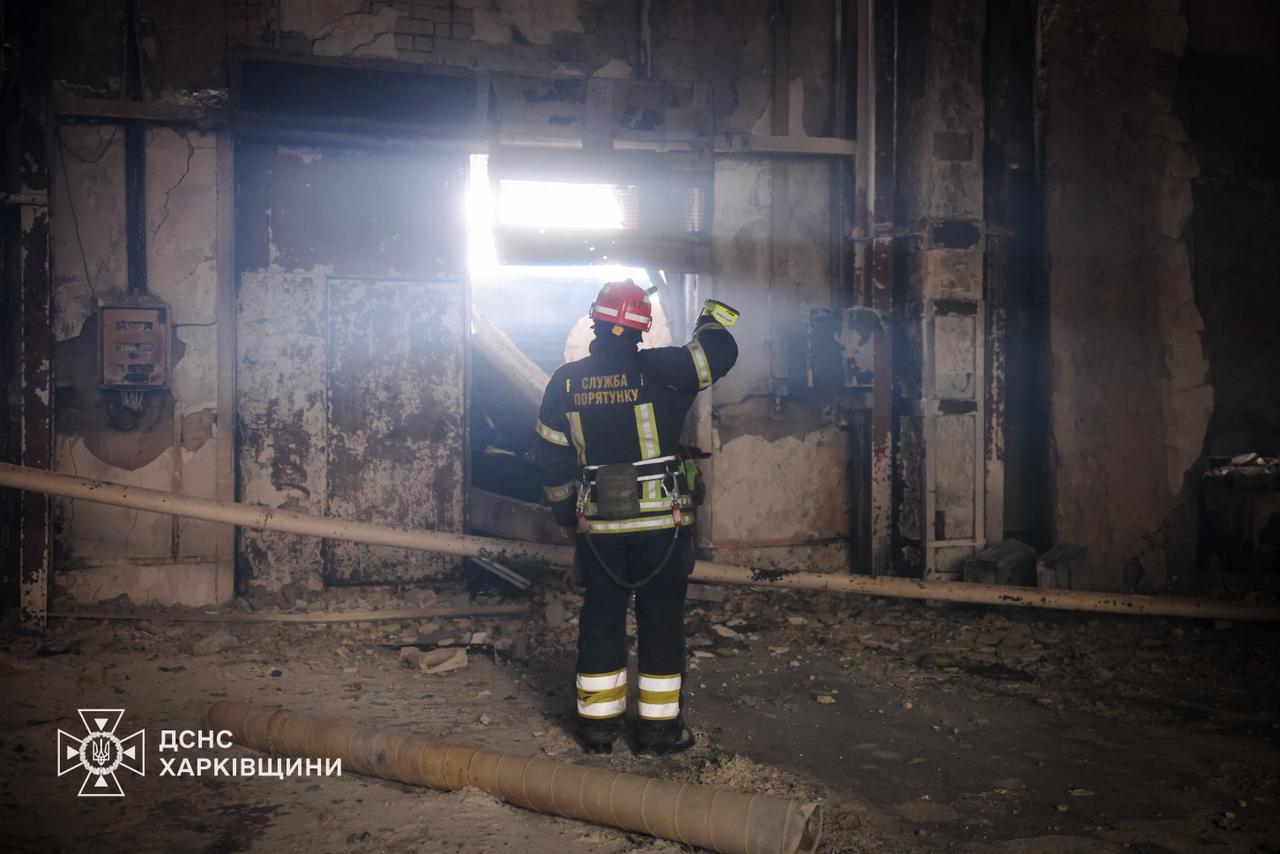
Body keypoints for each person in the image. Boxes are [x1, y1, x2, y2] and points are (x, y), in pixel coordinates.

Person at [534, 279, 739, 755]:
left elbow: (550, 458)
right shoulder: (662, 369)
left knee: (601, 618)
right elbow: (717, 354)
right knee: (661, 620)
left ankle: (597, 730)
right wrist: (713, 317)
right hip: (661, 528)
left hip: (599, 528)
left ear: (595, 321)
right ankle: (658, 733)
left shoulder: (565, 382)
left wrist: (565, 513)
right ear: (642, 327)